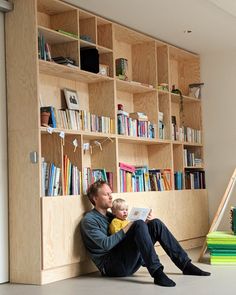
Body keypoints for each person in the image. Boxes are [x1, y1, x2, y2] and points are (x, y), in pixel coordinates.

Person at [80, 180, 211, 287]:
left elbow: (130, 234)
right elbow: (105, 245)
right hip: (111, 267)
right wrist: (133, 224)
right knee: (137, 224)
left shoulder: (111, 216)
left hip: (127, 260)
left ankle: (185, 265)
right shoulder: (89, 220)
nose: (111, 196)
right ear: (95, 198)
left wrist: (145, 222)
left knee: (155, 223)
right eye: (106, 194)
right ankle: (157, 272)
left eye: (110, 193)